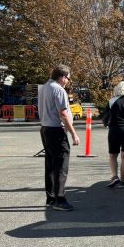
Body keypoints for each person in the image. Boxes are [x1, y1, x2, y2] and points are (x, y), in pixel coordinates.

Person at [39, 64, 80, 211]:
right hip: (56, 130)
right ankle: (59, 199)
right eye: (68, 78)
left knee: (50, 165)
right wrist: (74, 133)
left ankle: (51, 197)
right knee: (61, 166)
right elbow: (62, 114)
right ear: (62, 77)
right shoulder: (58, 90)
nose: (68, 81)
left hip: (45, 128)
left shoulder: (44, 87)